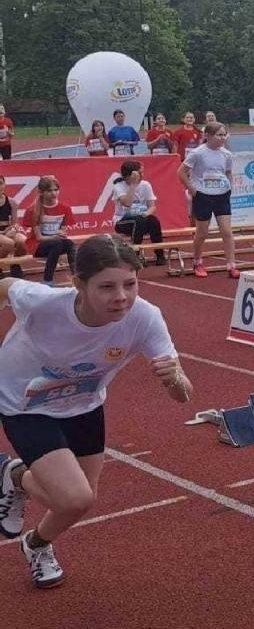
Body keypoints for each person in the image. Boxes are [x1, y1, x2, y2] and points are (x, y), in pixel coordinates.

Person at [0, 236, 193, 589]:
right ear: (79, 284)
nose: (121, 296)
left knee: (78, 504)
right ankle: (15, 476)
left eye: (130, 284)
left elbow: (184, 397)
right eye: (106, 287)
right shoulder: (43, 303)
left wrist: (174, 379)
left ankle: (35, 542)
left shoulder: (145, 317)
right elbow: (6, 284)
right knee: (74, 497)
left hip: (83, 404)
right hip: (24, 404)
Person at [177, 121, 239, 279]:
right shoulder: (197, 153)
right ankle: (197, 261)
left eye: (224, 135)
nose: (222, 138)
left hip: (222, 194)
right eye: (219, 135)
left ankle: (231, 264)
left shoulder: (227, 154)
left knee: (226, 231)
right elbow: (181, 172)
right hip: (203, 195)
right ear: (208, 136)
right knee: (202, 232)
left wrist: (229, 187)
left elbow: (228, 172)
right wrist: (192, 189)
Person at [111, 160, 165, 264]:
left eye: (142, 172)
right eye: (139, 173)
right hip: (122, 221)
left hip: (142, 218)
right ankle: (134, 255)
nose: (142, 175)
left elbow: (152, 206)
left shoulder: (146, 185)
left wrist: (146, 213)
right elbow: (127, 203)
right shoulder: (119, 186)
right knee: (138, 221)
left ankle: (160, 255)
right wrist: (133, 184)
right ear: (130, 175)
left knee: (154, 220)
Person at [26, 178, 76, 283]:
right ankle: (47, 280)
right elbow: (39, 237)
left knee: (70, 244)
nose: (54, 193)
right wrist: (54, 236)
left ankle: (77, 277)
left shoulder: (65, 209)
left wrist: (60, 234)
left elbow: (62, 233)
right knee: (57, 243)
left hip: (56, 243)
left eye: (56, 190)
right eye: (49, 191)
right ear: (41, 192)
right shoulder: (33, 210)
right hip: (37, 246)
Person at [0, 186, 25, 275]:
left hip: (7, 231)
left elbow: (15, 223)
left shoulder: (11, 202)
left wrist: (13, 229)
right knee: (9, 243)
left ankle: (15, 264)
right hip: (2, 233)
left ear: (4, 185)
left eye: (0, 183)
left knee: (22, 241)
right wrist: (3, 233)